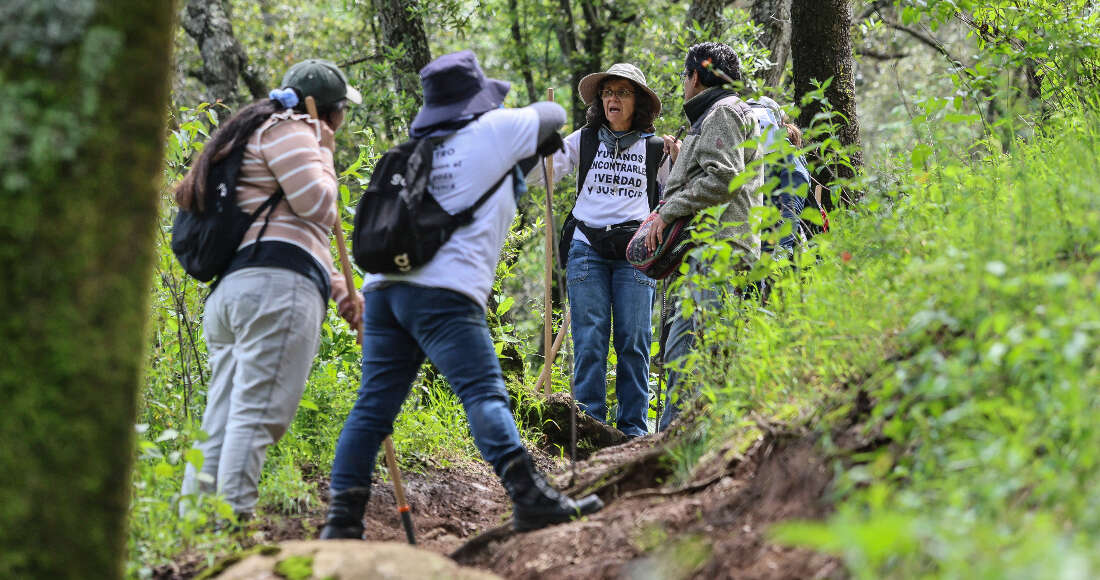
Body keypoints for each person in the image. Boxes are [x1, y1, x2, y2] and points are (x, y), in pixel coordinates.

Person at [319, 50, 603, 540]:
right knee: (482, 393)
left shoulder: (416, 148)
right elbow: (553, 115)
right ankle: (530, 498)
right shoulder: (493, 131)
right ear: (476, 101)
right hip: (444, 296)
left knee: (372, 407)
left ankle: (341, 525)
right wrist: (505, 124)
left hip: (384, 292)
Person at [177, 59, 366, 522]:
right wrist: (323, 151)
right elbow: (319, 204)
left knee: (222, 417)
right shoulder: (295, 129)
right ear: (327, 109)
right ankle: (231, 527)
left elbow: (299, 232)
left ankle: (195, 526)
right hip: (276, 293)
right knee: (257, 414)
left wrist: (343, 294)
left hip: (241, 290)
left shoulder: (260, 133)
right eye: (342, 109)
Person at [529, 63, 676, 437]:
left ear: (638, 102)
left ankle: (632, 432)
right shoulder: (586, 138)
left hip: (637, 250)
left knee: (634, 340)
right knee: (590, 338)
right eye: (608, 92)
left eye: (622, 92)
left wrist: (679, 157)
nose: (613, 98)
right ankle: (589, 424)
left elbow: (678, 196)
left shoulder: (657, 148)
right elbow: (538, 175)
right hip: (587, 246)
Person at [642, 42, 765, 431]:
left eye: (684, 76)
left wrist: (667, 210)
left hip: (717, 253)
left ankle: (670, 455)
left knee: (685, 353)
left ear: (695, 77)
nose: (683, 83)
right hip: (718, 252)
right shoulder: (723, 112)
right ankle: (698, 447)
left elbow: (724, 179)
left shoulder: (722, 111)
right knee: (711, 358)